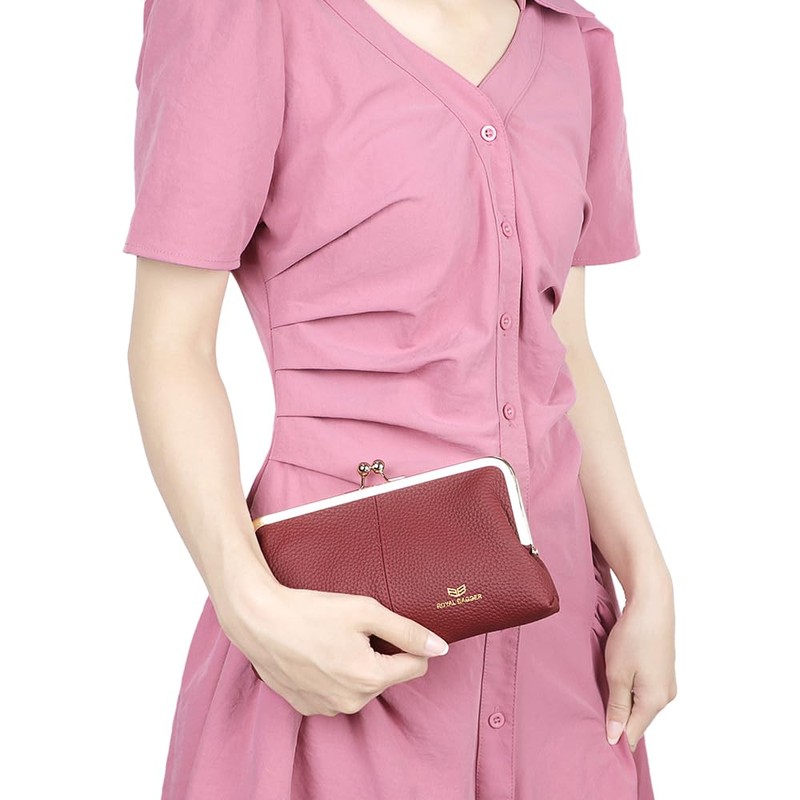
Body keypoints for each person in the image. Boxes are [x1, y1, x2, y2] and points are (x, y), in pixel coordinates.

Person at [123, 0, 676, 797]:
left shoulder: (574, 43)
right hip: (336, 638)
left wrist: (646, 578)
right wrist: (252, 609)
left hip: (562, 657)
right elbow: (170, 347)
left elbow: (562, 347)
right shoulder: (247, 17)